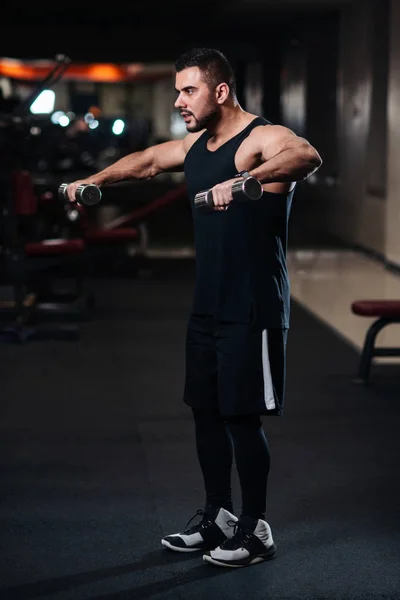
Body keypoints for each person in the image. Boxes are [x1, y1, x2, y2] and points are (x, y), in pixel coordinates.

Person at [65, 47, 322, 569]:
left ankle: (256, 530)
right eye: (178, 90)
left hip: (254, 308)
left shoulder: (261, 139)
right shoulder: (197, 145)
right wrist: (94, 181)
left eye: (189, 90)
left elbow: (307, 155)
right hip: (208, 305)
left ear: (220, 91)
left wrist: (242, 181)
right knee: (204, 412)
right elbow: (146, 162)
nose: (180, 100)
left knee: (241, 419)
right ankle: (218, 517)